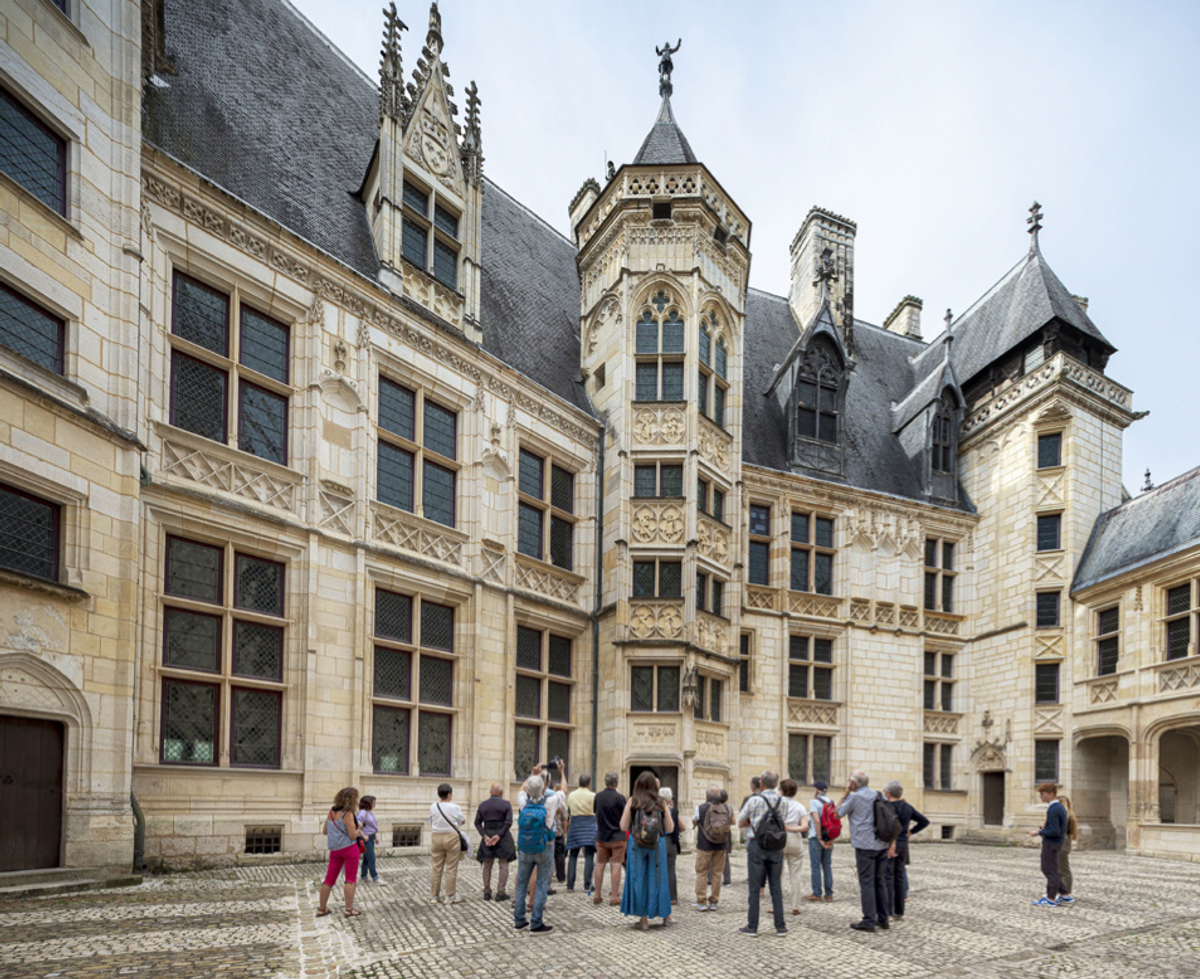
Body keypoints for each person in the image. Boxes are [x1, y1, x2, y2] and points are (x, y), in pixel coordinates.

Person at [837, 769, 894, 932]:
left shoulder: (854, 797)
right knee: (880, 881)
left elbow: (836, 814)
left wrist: (845, 795)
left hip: (864, 845)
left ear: (853, 784)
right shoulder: (879, 795)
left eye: (850, 782)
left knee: (867, 882)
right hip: (881, 843)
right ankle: (883, 918)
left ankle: (868, 920)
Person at [619, 771, 674, 929]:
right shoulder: (661, 802)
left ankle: (643, 921)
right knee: (659, 879)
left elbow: (623, 826)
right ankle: (665, 916)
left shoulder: (633, 801)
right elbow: (670, 827)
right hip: (658, 845)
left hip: (637, 845)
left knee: (639, 879)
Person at [737, 770, 788, 937]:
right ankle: (780, 926)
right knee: (776, 887)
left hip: (757, 845)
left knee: (754, 887)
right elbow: (782, 823)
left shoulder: (754, 801)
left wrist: (752, 823)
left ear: (761, 783)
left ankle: (752, 926)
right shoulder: (783, 802)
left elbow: (740, 823)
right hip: (775, 846)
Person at [513, 775, 560, 934]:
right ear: (543, 789)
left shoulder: (523, 802)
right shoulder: (550, 801)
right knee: (541, 884)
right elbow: (564, 791)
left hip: (525, 849)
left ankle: (519, 921)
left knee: (521, 885)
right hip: (544, 848)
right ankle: (536, 922)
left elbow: (521, 790)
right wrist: (561, 772)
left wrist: (530, 775)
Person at [317, 786, 366, 918]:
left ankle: (321, 909)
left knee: (329, 879)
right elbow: (352, 835)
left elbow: (325, 831)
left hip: (335, 850)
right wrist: (359, 827)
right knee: (350, 879)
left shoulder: (331, 812)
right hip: (349, 849)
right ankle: (349, 909)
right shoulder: (348, 814)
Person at [883, 781, 928, 920]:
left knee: (888, 877)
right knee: (899, 876)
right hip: (903, 844)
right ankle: (899, 911)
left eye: (885, 790)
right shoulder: (906, 807)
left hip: (890, 844)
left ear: (889, 793)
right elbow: (924, 821)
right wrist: (910, 832)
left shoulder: (887, 807)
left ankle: (889, 911)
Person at [692, 785, 732, 911]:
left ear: (707, 796)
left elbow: (694, 821)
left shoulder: (701, 808)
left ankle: (701, 901)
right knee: (717, 873)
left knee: (702, 872)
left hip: (705, 845)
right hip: (721, 845)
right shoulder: (725, 808)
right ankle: (714, 901)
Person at [1029, 781, 1068, 906]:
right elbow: (1056, 827)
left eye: (1043, 794)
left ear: (1051, 794)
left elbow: (1055, 831)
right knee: (1051, 869)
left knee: (1048, 870)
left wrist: (1039, 832)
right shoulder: (1059, 807)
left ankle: (1050, 899)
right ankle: (1065, 895)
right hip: (1056, 842)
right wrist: (1045, 827)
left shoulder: (1053, 809)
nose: (1041, 797)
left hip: (1051, 843)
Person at [475, 782, 515, 901]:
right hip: (502, 836)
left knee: (487, 864)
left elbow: (477, 823)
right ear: (501, 793)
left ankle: (487, 891)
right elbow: (508, 822)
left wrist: (484, 836)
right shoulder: (506, 804)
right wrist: (499, 835)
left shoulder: (482, 805)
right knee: (503, 864)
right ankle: (500, 892)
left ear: (491, 792)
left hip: (488, 835)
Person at [594, 771, 628, 906]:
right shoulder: (620, 798)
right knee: (616, 864)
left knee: (600, 864)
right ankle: (614, 896)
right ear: (617, 783)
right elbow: (626, 817)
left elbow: (595, 813)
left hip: (602, 835)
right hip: (617, 836)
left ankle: (597, 894)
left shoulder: (598, 796)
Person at [429, 782, 466, 904]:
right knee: (451, 867)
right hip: (451, 837)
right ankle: (449, 895)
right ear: (449, 795)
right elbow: (461, 821)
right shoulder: (455, 807)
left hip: (436, 837)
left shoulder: (433, 806)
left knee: (436, 868)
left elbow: (431, 820)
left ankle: (434, 896)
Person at [779, 778, 810, 915]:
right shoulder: (800, 806)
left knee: (777, 875)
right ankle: (795, 906)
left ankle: (776, 905)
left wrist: (785, 828)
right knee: (796, 875)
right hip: (795, 840)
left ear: (782, 791)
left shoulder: (777, 804)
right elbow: (804, 826)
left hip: (780, 839)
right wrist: (792, 828)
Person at [565, 773, 597, 893]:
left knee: (573, 855)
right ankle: (587, 884)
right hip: (589, 825)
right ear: (589, 784)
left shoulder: (571, 795)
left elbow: (569, 810)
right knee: (589, 855)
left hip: (575, 825)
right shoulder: (593, 795)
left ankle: (570, 884)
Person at [805, 780, 835, 902]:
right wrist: (831, 839)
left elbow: (816, 821)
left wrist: (819, 838)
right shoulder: (831, 802)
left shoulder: (814, 802)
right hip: (829, 838)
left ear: (816, 790)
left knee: (816, 866)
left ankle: (817, 893)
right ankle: (828, 893)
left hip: (816, 838)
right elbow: (835, 821)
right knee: (827, 865)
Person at [356, 795, 385, 886]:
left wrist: (375, 836)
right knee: (371, 858)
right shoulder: (362, 813)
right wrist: (363, 836)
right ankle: (375, 878)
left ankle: (363, 877)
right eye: (374, 802)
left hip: (371, 837)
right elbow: (356, 825)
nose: (375, 804)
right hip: (366, 839)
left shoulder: (370, 812)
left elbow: (372, 826)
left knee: (366, 858)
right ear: (368, 803)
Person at [1056, 795, 1079, 905]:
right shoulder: (1070, 815)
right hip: (1064, 845)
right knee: (1059, 870)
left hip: (1062, 846)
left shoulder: (1064, 816)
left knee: (1064, 871)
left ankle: (1067, 895)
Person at [660, 786, 680, 904]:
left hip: (661, 840)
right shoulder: (674, 811)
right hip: (671, 842)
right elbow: (681, 826)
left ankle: (661, 895)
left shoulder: (657, 810)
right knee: (671, 868)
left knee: (659, 868)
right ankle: (673, 897)